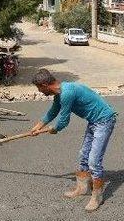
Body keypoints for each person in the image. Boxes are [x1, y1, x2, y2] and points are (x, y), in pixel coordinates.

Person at [30, 68, 117, 212]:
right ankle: (82, 188)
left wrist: (54, 129)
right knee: (83, 155)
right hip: (93, 121)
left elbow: (63, 120)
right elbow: (53, 111)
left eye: (39, 88)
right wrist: (37, 127)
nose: (39, 91)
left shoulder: (67, 93)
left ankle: (96, 197)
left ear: (45, 85)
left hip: (104, 120)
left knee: (94, 161)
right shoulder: (60, 94)